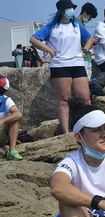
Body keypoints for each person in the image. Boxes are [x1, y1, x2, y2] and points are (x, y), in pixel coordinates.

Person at [31, 0, 95, 134]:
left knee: (84, 97)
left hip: (77, 63)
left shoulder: (76, 25)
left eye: (72, 8)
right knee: (64, 98)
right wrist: (48, 49)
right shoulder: (52, 26)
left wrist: (85, 50)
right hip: (60, 65)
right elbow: (34, 39)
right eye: (68, 8)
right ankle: (66, 132)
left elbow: (90, 39)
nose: (71, 10)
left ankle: (91, 125)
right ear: (61, 11)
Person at [0, 76, 23, 161]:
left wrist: (3, 121)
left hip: (1, 134)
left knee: (15, 119)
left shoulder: (6, 100)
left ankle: (12, 151)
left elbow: (18, 114)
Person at [77, 2, 98, 80]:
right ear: (85, 13)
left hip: (87, 58)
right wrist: (91, 41)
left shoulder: (83, 25)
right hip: (82, 58)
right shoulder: (76, 23)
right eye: (90, 17)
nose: (90, 19)